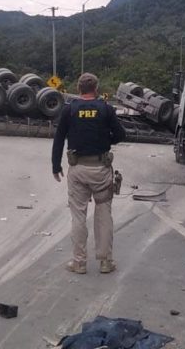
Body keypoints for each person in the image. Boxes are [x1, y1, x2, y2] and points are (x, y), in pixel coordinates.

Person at [52, 72, 126, 274]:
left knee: (78, 216)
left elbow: (59, 138)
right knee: (103, 215)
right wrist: (104, 141)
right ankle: (105, 262)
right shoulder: (106, 109)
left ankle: (79, 262)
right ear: (96, 89)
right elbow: (120, 134)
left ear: (78, 89)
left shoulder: (69, 110)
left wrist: (55, 166)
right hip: (101, 169)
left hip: (78, 170)